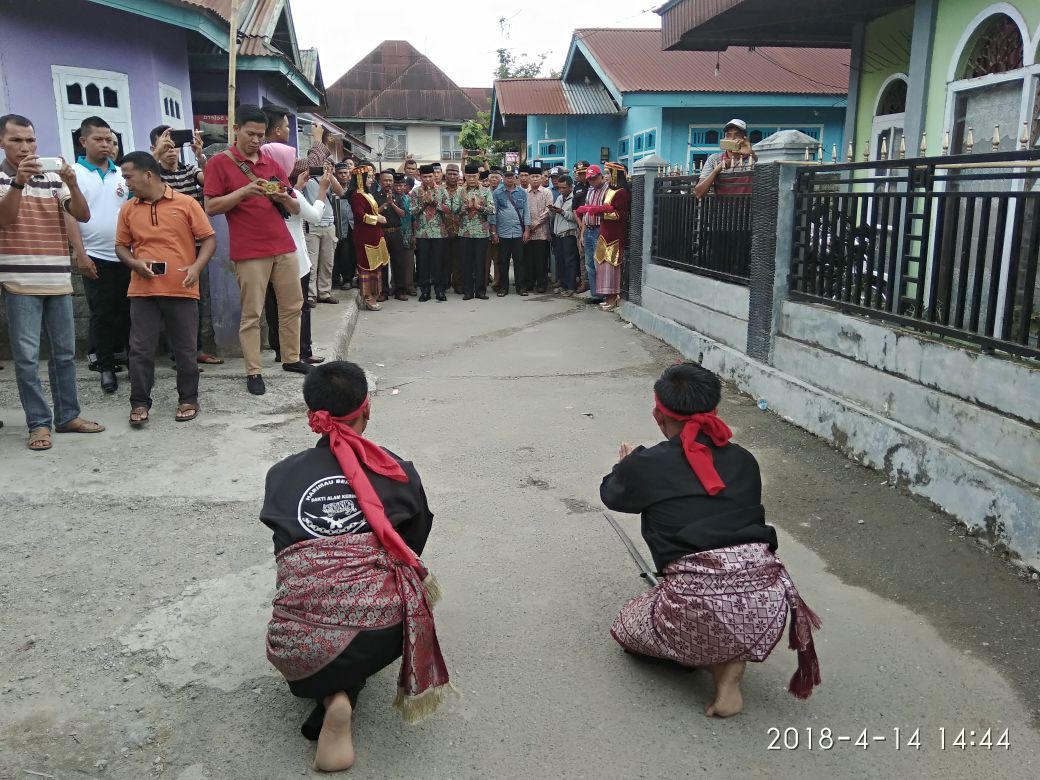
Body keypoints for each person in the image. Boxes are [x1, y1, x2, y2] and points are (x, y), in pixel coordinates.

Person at [600, 362, 821, 717]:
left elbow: (612, 494)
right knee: (710, 591)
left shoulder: (647, 464)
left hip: (698, 602)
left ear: (658, 415)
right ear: (714, 410)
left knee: (627, 626)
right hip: (767, 603)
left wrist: (625, 468)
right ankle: (731, 657)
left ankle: (714, 663)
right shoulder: (745, 461)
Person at [261, 361, 451, 771]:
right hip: (382, 628)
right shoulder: (398, 471)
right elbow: (412, 543)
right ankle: (345, 687)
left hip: (295, 640)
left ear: (312, 415)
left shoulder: (280, 476)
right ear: (368, 409)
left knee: (317, 620)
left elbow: (284, 551)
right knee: (385, 600)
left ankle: (333, 696)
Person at [0, 113, 105, 450]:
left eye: (30, 140)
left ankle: (67, 416)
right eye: (16, 140)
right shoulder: (3, 179)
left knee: (63, 355)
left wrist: (72, 182)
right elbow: (6, 219)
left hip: (58, 278)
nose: (25, 147)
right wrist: (18, 182)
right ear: (2, 142)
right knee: (27, 358)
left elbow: (82, 214)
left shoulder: (52, 177)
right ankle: (38, 423)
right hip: (18, 282)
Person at [204, 103, 309, 397]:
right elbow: (210, 206)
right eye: (250, 133)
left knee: (293, 304)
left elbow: (294, 203)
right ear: (235, 129)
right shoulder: (220, 163)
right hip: (249, 249)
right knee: (252, 313)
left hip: (282, 244)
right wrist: (244, 192)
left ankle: (291, 358)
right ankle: (254, 370)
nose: (256, 140)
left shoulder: (269, 161)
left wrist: (283, 198)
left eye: (261, 135)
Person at [115, 152, 216, 425]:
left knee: (185, 349)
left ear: (148, 175)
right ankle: (139, 402)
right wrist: (135, 264)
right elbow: (121, 246)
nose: (126, 183)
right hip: (142, 289)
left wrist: (196, 268)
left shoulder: (185, 204)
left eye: (128, 177)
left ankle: (188, 399)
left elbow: (208, 239)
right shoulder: (128, 209)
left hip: (181, 287)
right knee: (140, 349)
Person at [149, 124, 224, 366]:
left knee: (197, 300)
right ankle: (178, 354)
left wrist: (200, 155)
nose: (172, 151)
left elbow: (211, 181)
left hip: (196, 249)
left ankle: (194, 350)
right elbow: (141, 179)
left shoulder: (191, 170)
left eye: (175, 146)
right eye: (166, 146)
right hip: (166, 250)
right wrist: (156, 155)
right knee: (170, 301)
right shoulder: (154, 177)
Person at [73, 116, 131, 394]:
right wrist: (80, 255)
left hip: (126, 255)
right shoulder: (73, 174)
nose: (105, 144)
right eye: (98, 139)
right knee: (102, 314)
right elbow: (70, 217)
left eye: (109, 139)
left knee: (129, 311)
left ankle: (133, 362)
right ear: (84, 141)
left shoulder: (122, 174)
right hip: (95, 256)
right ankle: (106, 368)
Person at [265, 160, 327, 366]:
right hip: (296, 259)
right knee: (299, 307)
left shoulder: (266, 190)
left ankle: (279, 350)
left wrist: (298, 187)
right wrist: (323, 189)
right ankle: (302, 351)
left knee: (273, 305)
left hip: (269, 257)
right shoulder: (292, 195)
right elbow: (315, 216)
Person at [349, 163, 390, 311]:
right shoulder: (357, 195)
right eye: (370, 177)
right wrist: (376, 219)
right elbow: (359, 216)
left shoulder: (367, 194)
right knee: (366, 266)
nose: (372, 180)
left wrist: (378, 216)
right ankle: (367, 296)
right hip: (364, 236)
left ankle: (373, 293)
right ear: (361, 178)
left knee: (375, 265)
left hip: (374, 235)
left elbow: (370, 212)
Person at [410, 164, 449, 302]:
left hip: (439, 233)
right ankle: (425, 291)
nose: (427, 179)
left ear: (434, 176)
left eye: (430, 176)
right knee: (423, 263)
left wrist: (435, 203)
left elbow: (448, 209)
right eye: (424, 177)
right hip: (422, 233)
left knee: (439, 263)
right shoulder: (415, 192)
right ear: (420, 177)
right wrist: (424, 204)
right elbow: (412, 211)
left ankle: (440, 291)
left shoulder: (442, 191)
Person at [457, 163, 495, 300]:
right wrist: (466, 207)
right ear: (465, 176)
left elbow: (492, 210)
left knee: (481, 263)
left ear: (478, 176)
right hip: (465, 232)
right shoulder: (459, 191)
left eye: (474, 176)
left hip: (481, 233)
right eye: (469, 176)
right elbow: (454, 210)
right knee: (466, 263)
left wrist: (479, 207)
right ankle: (467, 291)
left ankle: (480, 291)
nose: (472, 178)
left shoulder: (486, 191)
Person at [490, 169, 529, 297]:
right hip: (503, 233)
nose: (509, 179)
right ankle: (503, 288)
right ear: (503, 178)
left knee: (520, 261)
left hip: (518, 232)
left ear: (515, 178)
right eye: (507, 177)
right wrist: (494, 232)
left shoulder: (522, 193)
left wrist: (527, 230)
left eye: (511, 177)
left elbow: (526, 212)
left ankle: (521, 288)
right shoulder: (497, 193)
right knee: (503, 262)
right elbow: (493, 213)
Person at [695, 119, 757, 200]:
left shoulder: (753, 159)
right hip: (723, 210)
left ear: (744, 139)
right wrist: (716, 170)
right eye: (728, 135)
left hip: (747, 210)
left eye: (737, 135)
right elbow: (699, 193)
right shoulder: (714, 159)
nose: (732, 138)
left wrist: (751, 153)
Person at [374, 170, 409, 301]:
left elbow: (403, 214)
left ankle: (400, 290)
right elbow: (374, 213)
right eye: (386, 180)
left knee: (399, 262)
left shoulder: (397, 196)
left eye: (390, 180)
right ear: (380, 181)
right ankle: (383, 292)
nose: (388, 183)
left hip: (396, 232)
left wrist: (392, 203)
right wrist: (385, 204)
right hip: (382, 232)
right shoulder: (375, 196)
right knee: (382, 263)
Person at [577, 164, 609, 304]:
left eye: (594, 178)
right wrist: (582, 234)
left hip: (599, 229)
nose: (591, 181)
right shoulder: (589, 191)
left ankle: (603, 294)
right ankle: (595, 295)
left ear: (600, 176)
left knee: (599, 264)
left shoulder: (608, 191)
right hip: (588, 229)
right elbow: (585, 214)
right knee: (589, 264)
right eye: (589, 179)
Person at [523, 168, 553, 294]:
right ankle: (529, 283)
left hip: (542, 232)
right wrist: (528, 225)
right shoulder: (524, 192)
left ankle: (542, 284)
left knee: (541, 260)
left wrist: (537, 222)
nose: (535, 179)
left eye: (537, 176)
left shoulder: (547, 192)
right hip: (527, 231)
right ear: (529, 178)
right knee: (528, 259)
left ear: (542, 178)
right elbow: (522, 209)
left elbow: (549, 209)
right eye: (533, 176)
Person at [549, 174, 579, 296]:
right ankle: (563, 284)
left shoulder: (575, 198)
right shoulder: (560, 198)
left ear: (570, 187)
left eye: (563, 188)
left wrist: (562, 212)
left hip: (569, 234)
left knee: (570, 261)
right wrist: (552, 211)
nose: (561, 190)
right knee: (560, 260)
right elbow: (553, 215)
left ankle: (571, 286)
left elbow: (575, 217)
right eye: (559, 188)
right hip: (558, 234)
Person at [331, 161, 356, 291]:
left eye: (345, 173)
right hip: (335, 226)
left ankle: (348, 280)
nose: (343, 176)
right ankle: (335, 279)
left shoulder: (354, 190)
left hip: (351, 226)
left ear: (349, 175)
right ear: (335, 174)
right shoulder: (331, 188)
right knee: (335, 254)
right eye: (340, 173)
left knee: (348, 254)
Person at [441, 164, 464, 293]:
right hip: (443, 229)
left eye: (455, 174)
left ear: (458, 176)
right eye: (449, 174)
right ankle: (444, 283)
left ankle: (458, 283)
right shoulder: (439, 190)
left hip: (459, 229)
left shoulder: (463, 190)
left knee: (458, 258)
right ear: (446, 175)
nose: (452, 176)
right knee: (444, 258)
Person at [393, 173, 416, 298]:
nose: (398, 188)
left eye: (401, 185)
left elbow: (413, 218)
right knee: (395, 261)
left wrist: (414, 234)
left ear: (405, 186)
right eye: (396, 185)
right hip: (394, 232)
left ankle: (409, 285)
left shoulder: (409, 199)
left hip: (407, 232)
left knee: (408, 261)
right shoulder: (389, 198)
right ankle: (395, 286)